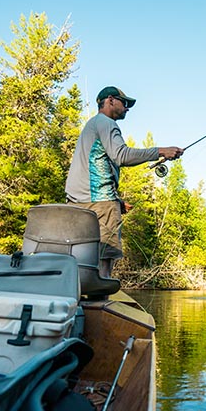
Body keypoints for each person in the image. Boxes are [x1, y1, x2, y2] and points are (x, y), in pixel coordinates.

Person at [65, 86, 184, 278]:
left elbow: (91, 168)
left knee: (81, 257)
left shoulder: (91, 125)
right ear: (110, 100)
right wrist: (160, 151)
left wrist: (118, 202)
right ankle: (99, 303)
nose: (127, 108)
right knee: (105, 257)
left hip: (77, 202)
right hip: (100, 204)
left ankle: (78, 302)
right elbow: (121, 155)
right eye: (125, 103)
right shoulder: (107, 123)